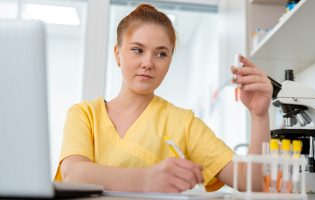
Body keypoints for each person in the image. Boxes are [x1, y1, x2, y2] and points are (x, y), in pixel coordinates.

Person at [55, 4, 273, 193]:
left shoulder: (183, 123)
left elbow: (250, 182)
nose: (148, 63)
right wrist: (147, 179)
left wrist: (259, 115)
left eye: (161, 54)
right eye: (137, 50)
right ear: (117, 54)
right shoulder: (84, 114)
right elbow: (74, 174)